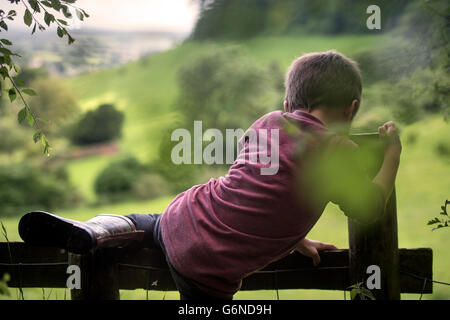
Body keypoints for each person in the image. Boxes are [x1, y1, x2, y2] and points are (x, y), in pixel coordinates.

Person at [19, 50, 402, 300]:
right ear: (351, 110)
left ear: (287, 104)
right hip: (208, 269)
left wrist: (296, 239)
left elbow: (264, 191)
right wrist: (391, 156)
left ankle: (98, 230)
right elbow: (367, 208)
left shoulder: (270, 122)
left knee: (140, 222)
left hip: (185, 215)